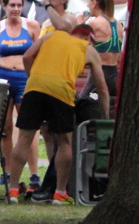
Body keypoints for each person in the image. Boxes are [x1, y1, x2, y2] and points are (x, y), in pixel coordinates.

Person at [8, 19, 110, 205]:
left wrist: (33, 77)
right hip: (61, 92)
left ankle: (13, 190)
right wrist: (105, 118)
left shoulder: (51, 35)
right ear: (89, 38)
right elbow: (102, 88)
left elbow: (27, 57)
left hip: (34, 87)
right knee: (64, 142)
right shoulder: (88, 49)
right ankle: (60, 193)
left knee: (24, 138)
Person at [0, 0, 40, 187]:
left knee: (28, 127)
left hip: (24, 77)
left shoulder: (32, 26)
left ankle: (34, 174)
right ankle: (8, 172)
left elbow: (39, 53)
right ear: (4, 6)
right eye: (12, 5)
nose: (16, 9)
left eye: (19, 5)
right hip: (2, 76)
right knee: (5, 128)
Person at [84, 0, 124, 107]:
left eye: (88, 2)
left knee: (81, 104)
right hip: (114, 74)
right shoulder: (118, 25)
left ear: (94, 3)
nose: (87, 6)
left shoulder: (94, 23)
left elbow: (78, 45)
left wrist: (79, 22)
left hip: (99, 73)